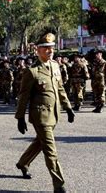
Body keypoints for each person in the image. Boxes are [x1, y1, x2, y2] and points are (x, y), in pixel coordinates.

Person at [15, 33, 75, 193]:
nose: (50, 51)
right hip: (40, 116)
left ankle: (23, 163)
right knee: (51, 150)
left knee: (40, 142)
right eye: (46, 48)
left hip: (54, 114)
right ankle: (59, 185)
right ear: (38, 50)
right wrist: (20, 117)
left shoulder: (55, 65)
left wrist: (68, 107)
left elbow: (60, 88)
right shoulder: (32, 71)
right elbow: (23, 96)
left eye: (52, 48)